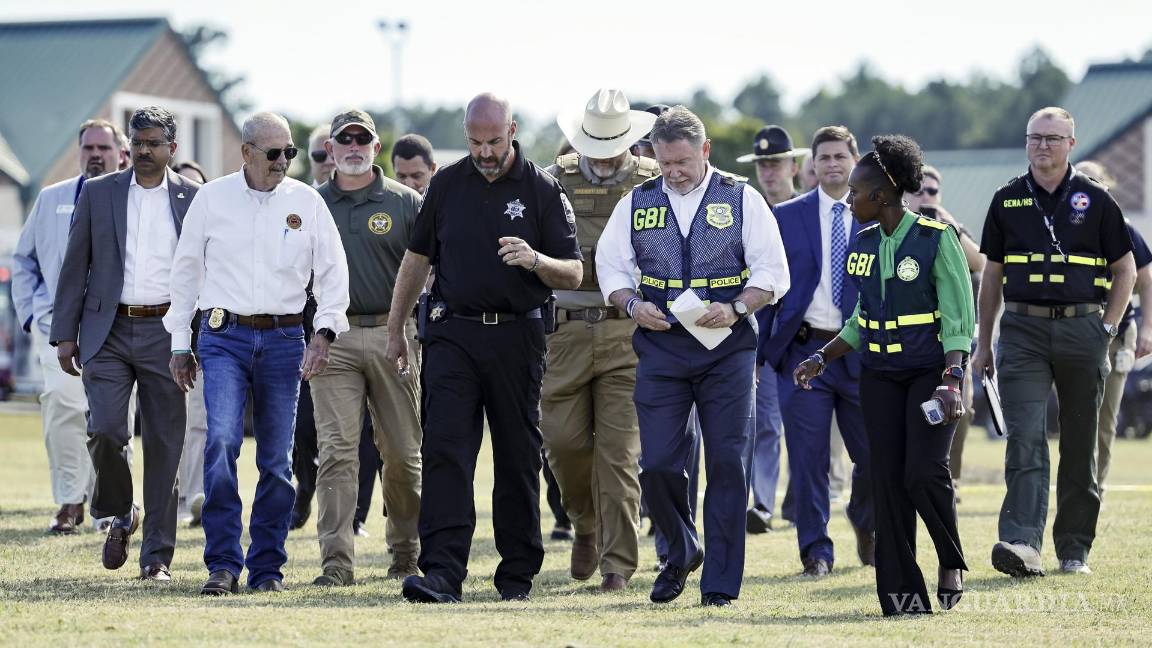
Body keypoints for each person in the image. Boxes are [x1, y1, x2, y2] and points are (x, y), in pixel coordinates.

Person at [386, 93, 582, 603]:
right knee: (446, 451)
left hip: (519, 336)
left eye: (494, 141)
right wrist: (395, 329)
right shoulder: (447, 183)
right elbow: (416, 259)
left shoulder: (542, 189)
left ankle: (517, 574)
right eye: (475, 141)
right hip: (453, 334)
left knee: (517, 456)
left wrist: (536, 259)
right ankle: (442, 572)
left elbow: (573, 270)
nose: (485, 152)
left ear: (513, 130)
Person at [597, 106, 790, 606]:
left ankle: (720, 585)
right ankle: (682, 548)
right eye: (665, 164)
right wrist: (632, 305)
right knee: (658, 464)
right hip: (661, 345)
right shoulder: (636, 203)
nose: (674, 173)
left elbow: (773, 271)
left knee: (728, 462)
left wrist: (737, 307)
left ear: (705, 151)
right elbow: (611, 268)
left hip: (727, 348)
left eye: (683, 161)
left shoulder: (741, 197)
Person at [164, 111, 350, 595]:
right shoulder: (212, 198)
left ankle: (267, 567)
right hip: (222, 336)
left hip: (286, 340)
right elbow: (185, 272)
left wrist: (324, 332)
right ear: (246, 153)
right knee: (222, 442)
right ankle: (222, 564)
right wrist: (181, 342)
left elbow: (333, 273)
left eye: (289, 152)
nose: (283, 161)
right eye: (273, 153)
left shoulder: (306, 202)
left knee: (276, 459)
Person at [795, 134, 972, 616]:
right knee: (885, 480)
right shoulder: (864, 243)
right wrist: (822, 357)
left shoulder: (936, 240)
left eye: (857, 191)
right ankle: (901, 593)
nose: (849, 199)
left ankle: (950, 559)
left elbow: (959, 318)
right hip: (878, 375)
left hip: (930, 375)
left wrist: (953, 378)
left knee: (922, 472)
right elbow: (859, 319)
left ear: (885, 193)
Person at [973, 107, 1136, 577]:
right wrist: (985, 343)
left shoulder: (1097, 200)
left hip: (1083, 329)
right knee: (1024, 436)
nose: (1043, 146)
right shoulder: (1006, 199)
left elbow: (1126, 269)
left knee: (1081, 442)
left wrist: (1107, 327)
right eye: (1035, 138)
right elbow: (992, 278)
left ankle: (1073, 548)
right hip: (1021, 331)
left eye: (1052, 138)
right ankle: (1022, 543)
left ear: (1071, 143)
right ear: (1026, 143)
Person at [51, 107, 197, 582]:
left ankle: (156, 557)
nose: (144, 151)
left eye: (154, 143)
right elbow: (76, 264)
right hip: (106, 330)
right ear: (127, 147)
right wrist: (65, 333)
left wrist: (198, 335)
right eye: (137, 143)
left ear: (171, 148)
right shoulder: (99, 193)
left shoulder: (194, 198)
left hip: (169, 332)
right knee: (107, 430)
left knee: (164, 447)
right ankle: (120, 509)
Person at [542, 89, 660, 592]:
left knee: (619, 455)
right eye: (596, 141)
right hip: (563, 332)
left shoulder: (652, 182)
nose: (606, 153)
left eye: (615, 142)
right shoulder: (554, 179)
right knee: (564, 446)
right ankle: (584, 524)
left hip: (626, 331)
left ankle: (617, 565)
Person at [309, 110, 423, 586]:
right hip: (331, 338)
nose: (353, 146)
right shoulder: (309, 204)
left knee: (402, 452)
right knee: (336, 452)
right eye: (344, 140)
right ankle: (336, 565)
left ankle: (406, 554)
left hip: (393, 333)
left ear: (377, 148)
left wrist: (414, 328)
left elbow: (432, 268)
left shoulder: (407, 202)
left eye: (363, 139)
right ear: (330, 150)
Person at [762, 125, 876, 577]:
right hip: (805, 353)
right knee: (807, 461)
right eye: (824, 157)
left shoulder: (876, 213)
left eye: (840, 156)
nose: (832, 164)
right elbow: (767, 280)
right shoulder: (788, 216)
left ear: (854, 161)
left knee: (871, 457)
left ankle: (866, 521)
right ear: (812, 165)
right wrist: (764, 351)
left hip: (861, 356)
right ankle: (817, 551)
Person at [13, 118, 124, 535]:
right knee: (62, 408)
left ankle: (110, 506)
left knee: (110, 419)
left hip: (116, 328)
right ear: (79, 152)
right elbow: (23, 260)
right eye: (88, 148)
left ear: (120, 153)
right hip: (58, 327)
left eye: (103, 148)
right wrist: (34, 314)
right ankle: (69, 500)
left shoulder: (133, 199)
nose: (95, 155)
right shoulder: (51, 198)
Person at [736, 124, 808, 533]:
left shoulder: (806, 212)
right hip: (758, 330)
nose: (769, 171)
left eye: (776, 163)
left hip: (801, 333)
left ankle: (796, 497)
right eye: (762, 163)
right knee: (760, 422)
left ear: (793, 167)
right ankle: (760, 503)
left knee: (799, 423)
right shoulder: (745, 210)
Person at [904, 165, 986, 499]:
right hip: (911, 337)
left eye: (932, 191)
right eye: (919, 190)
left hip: (951, 339)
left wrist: (948, 223)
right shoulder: (899, 226)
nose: (926, 197)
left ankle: (950, 477)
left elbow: (981, 263)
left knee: (960, 407)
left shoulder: (950, 225)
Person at [1073, 160, 1152, 495]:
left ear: (1106, 185)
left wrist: (1148, 329)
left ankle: (1095, 488)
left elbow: (1146, 279)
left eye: (1094, 181)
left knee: (1105, 417)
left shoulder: (1122, 226)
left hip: (1117, 336)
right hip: (1074, 333)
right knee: (1077, 417)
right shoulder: (1062, 227)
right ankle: (1073, 485)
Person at [172, 159, 210, 528]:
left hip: (203, 337)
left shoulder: (212, 230)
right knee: (169, 419)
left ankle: (193, 496)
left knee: (198, 419)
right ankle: (169, 495)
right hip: (162, 334)